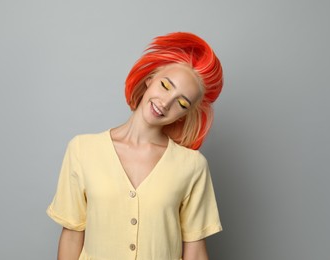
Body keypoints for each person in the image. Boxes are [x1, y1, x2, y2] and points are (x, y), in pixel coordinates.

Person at [47, 32, 224, 260]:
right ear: (149, 80)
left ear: (185, 115)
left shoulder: (192, 166)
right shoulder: (82, 150)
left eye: (181, 103)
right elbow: (72, 236)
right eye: (165, 85)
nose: (165, 102)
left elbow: (195, 250)